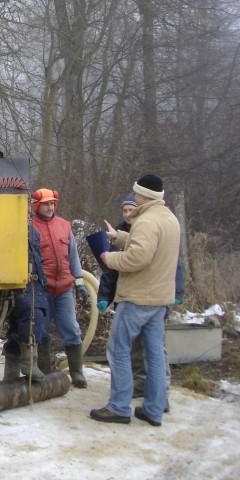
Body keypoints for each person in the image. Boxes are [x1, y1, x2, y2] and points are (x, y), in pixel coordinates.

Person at [90, 174, 180, 426]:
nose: (134, 196)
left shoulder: (146, 221)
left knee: (119, 350)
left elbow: (137, 258)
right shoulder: (169, 219)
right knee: (155, 355)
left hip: (138, 298)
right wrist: (119, 237)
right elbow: (150, 247)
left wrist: (109, 258)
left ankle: (118, 407)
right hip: (159, 300)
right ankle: (154, 408)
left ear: (145, 195)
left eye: (136, 193)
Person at [31, 188, 88, 388]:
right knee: (42, 330)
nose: (50, 207)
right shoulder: (30, 227)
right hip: (42, 288)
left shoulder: (64, 226)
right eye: (46, 203)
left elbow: (73, 256)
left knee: (71, 328)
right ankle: (45, 372)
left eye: (52, 203)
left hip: (64, 288)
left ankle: (77, 373)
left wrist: (79, 282)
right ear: (37, 205)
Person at [3, 226, 49, 382]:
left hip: (32, 282)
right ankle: (27, 364)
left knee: (30, 318)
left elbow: (37, 258)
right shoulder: (7, 226)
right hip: (15, 280)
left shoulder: (33, 231)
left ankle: (17, 368)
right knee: (28, 317)